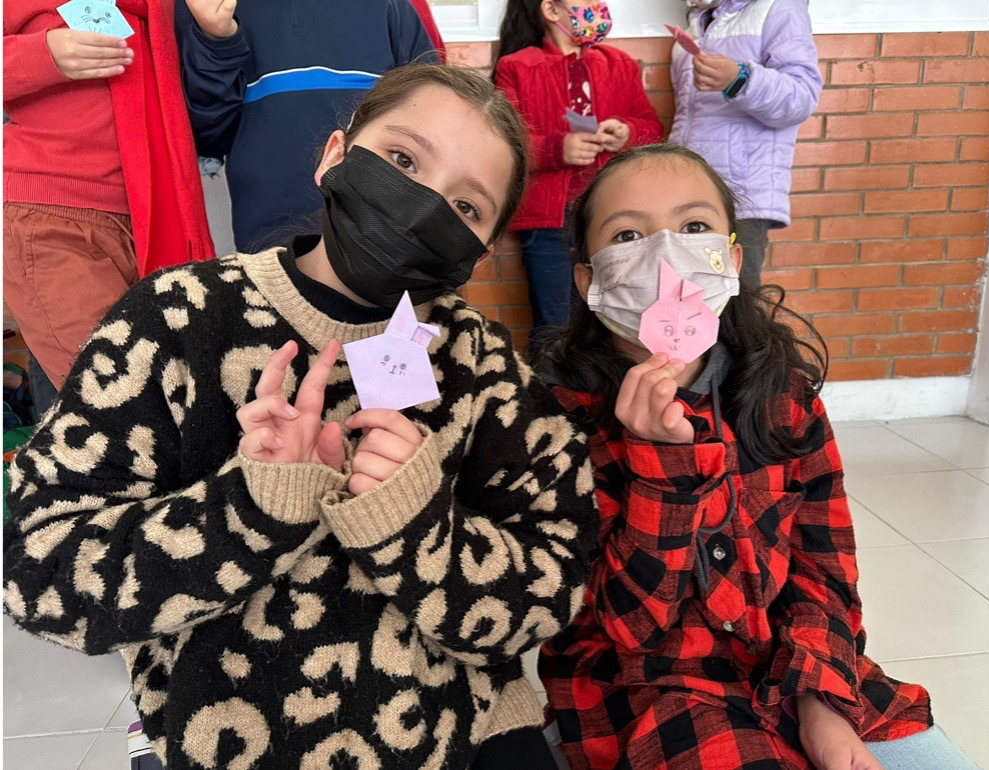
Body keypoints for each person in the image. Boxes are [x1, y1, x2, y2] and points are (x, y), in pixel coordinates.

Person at [3, 64, 597, 770]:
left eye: (466, 206)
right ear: (334, 156)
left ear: (483, 249)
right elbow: (37, 572)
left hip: (459, 735)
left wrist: (418, 527)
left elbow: (553, 586)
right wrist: (247, 510)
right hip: (227, 734)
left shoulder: (480, 364)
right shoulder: (179, 317)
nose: (420, 206)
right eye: (403, 159)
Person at [533, 144, 977, 770]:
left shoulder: (784, 399)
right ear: (589, 280)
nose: (667, 256)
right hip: (648, 687)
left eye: (693, 227)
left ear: (732, 260)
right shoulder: (554, 422)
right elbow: (628, 626)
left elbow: (826, 571)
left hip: (790, 661)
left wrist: (819, 701)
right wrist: (661, 465)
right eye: (628, 235)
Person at [3, 0, 214, 414]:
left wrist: (216, 38)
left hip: (157, 219)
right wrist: (42, 54)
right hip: (53, 216)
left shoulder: (167, 9)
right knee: (124, 410)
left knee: (177, 408)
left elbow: (202, 108)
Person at [175, 0, 438, 252]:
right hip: (269, 245)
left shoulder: (391, 6)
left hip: (386, 242)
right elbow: (209, 139)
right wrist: (216, 40)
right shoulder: (204, 7)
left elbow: (430, 127)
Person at [493, 0, 663, 349]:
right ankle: (551, 385)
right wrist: (557, 148)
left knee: (617, 322)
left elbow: (653, 128)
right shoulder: (517, 67)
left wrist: (627, 133)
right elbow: (503, 145)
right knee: (553, 327)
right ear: (551, 10)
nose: (597, 7)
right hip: (549, 225)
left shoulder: (619, 64)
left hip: (610, 215)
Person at [668, 0, 821, 289]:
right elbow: (687, 116)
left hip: (741, 197)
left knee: (738, 304)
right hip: (690, 192)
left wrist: (739, 78)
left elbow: (801, 97)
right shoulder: (699, 22)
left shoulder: (779, 9)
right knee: (688, 300)